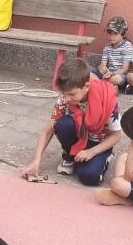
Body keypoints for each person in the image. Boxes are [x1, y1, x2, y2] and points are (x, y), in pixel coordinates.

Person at [21, 58, 122, 186]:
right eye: (64, 93)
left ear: (86, 87)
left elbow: (116, 136)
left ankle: (104, 157)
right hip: (79, 138)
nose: (67, 98)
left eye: (72, 94)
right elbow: (48, 130)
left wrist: (91, 152)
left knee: (89, 177)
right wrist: (35, 161)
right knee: (62, 124)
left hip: (99, 143)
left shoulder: (107, 100)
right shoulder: (64, 98)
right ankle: (70, 155)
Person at [90, 16, 133, 90]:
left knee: (117, 78)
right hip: (108, 74)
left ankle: (99, 85)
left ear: (124, 34)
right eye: (109, 33)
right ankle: (107, 86)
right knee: (86, 70)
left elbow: (124, 69)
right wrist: (103, 69)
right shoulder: (107, 46)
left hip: (120, 75)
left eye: (115, 34)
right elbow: (102, 64)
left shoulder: (128, 47)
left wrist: (112, 73)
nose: (111, 36)